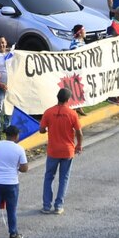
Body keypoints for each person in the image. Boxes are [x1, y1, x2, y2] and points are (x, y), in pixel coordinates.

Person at [39, 87, 83, 215]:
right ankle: (58, 206)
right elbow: (79, 132)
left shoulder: (48, 112)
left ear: (57, 97)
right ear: (68, 100)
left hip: (53, 151)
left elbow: (41, 130)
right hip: (68, 151)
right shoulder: (72, 114)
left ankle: (46, 206)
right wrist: (79, 145)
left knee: (49, 177)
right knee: (64, 178)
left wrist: (47, 129)